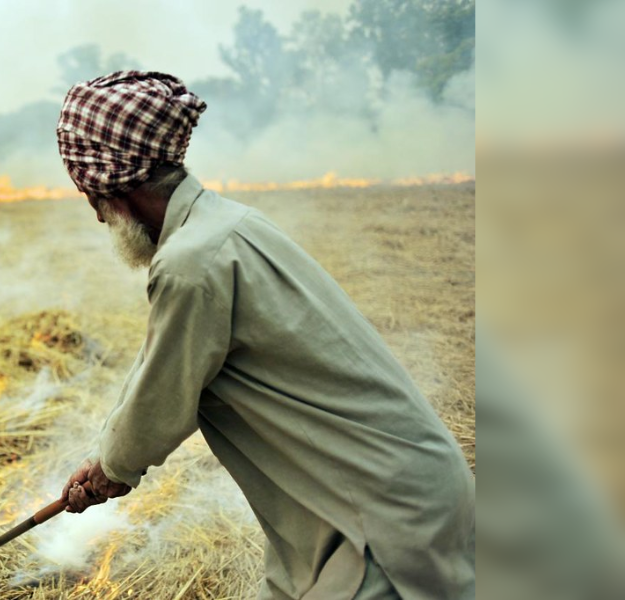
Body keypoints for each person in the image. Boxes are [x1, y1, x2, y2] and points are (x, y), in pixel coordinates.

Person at [55, 71, 475, 600]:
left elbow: (163, 398)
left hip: (378, 518)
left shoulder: (191, 263)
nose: (96, 215)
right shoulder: (229, 225)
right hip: (388, 494)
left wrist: (112, 469)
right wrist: (104, 459)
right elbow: (160, 364)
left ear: (116, 188)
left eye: (91, 196)